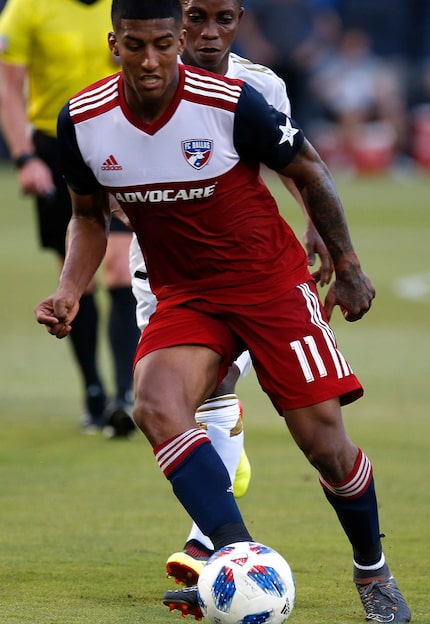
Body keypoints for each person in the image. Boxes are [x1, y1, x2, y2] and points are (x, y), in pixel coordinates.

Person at [35, 1, 411, 622]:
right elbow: (85, 215)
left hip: (269, 283)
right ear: (114, 44)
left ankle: (372, 571)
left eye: (162, 44)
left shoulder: (231, 101)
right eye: (136, 46)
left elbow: (310, 170)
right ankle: (237, 557)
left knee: (324, 445)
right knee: (155, 403)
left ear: (175, 39)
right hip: (186, 293)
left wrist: (347, 266)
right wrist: (71, 287)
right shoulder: (84, 119)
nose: (151, 60)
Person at [128, 0, 334, 588]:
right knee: (171, 402)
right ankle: (226, 459)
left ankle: (209, 546)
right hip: (160, 261)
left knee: (216, 380)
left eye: (223, 18)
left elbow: (294, 162)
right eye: (195, 16)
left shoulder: (261, 84)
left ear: (240, 19)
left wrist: (315, 225)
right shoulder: (140, 73)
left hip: (241, 266)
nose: (207, 32)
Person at [0, 0, 140, 436]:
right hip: (54, 147)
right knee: (76, 279)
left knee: (120, 268)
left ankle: (126, 395)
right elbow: (8, 86)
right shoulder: (27, 9)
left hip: (120, 142)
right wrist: (24, 156)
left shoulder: (125, 6)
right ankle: (94, 391)